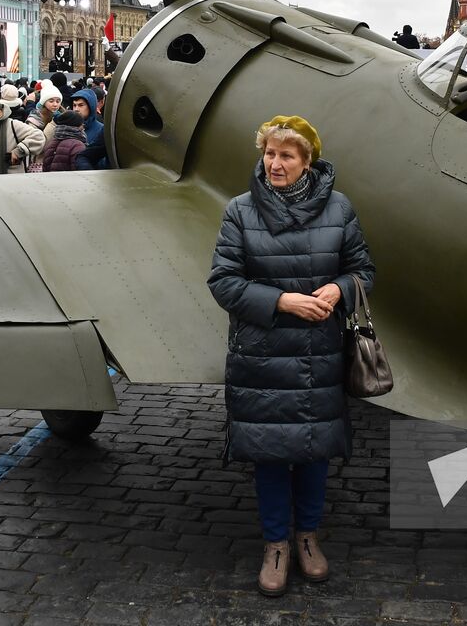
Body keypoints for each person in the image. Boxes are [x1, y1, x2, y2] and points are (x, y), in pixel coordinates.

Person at [207, 115, 375, 597]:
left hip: (320, 352)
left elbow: (363, 269)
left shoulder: (339, 209)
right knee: (270, 456)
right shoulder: (240, 211)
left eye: (287, 156)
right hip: (262, 355)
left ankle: (307, 538)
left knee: (315, 452)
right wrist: (281, 301)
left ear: (308, 162)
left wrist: (338, 290)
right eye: (269, 154)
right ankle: (276, 544)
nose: (275, 163)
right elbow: (223, 281)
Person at [0, 94, 45, 174]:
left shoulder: (13, 125)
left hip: (14, 180)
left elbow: (38, 136)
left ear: (0, 110)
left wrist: (19, 151)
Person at [70, 88, 110, 169]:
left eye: (81, 105)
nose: (76, 109)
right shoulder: (67, 129)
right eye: (74, 105)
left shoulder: (102, 130)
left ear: (91, 106)